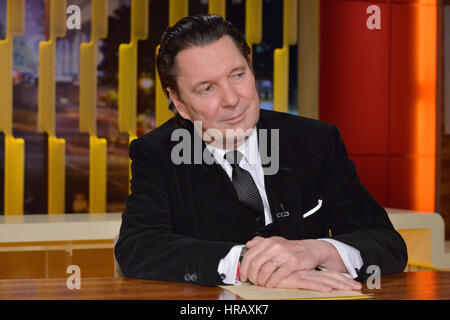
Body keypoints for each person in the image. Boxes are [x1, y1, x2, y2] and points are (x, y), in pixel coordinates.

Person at [114, 14, 407, 292]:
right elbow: (138, 247)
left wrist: (317, 251)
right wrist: (245, 263)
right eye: (206, 88)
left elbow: (387, 244)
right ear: (178, 102)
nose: (231, 100)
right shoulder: (158, 152)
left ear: (251, 68)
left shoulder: (315, 141)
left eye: (237, 75)